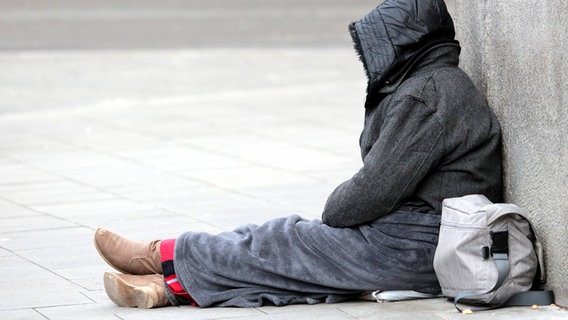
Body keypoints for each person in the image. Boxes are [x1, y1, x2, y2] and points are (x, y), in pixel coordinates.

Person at [94, 0, 503, 309]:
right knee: (290, 257)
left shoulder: (429, 94)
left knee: (282, 240)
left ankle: (160, 255)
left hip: (414, 246)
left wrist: (332, 212)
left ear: (407, 44)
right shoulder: (438, 84)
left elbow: (372, 190)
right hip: (417, 239)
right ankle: (167, 287)